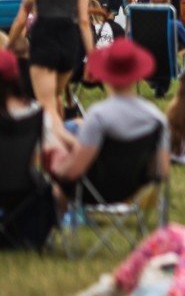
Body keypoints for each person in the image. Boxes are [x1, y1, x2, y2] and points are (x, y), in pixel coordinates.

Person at [50, 39, 169, 186]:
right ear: (138, 75)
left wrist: (57, 166)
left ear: (106, 75)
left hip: (98, 191)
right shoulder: (156, 118)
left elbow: (74, 170)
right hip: (137, 194)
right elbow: (162, 171)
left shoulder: (98, 116)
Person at [7, 0, 92, 127]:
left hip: (44, 40)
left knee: (45, 104)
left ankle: (60, 145)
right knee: (55, 97)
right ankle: (60, 137)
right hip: (70, 43)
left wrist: (8, 46)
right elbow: (85, 21)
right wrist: (92, 55)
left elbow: (22, 18)